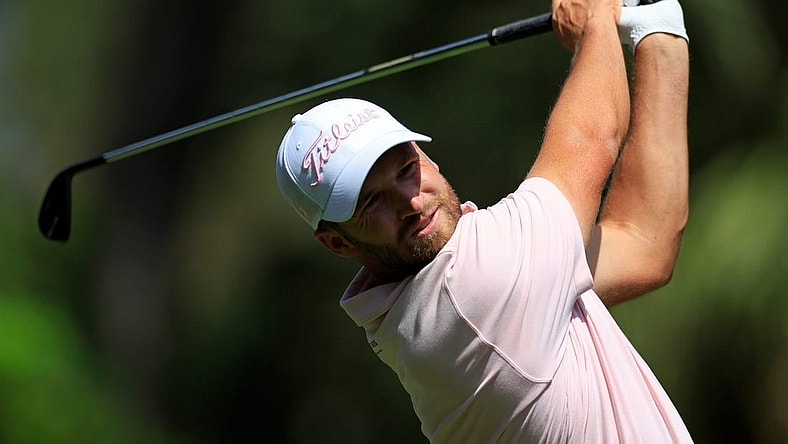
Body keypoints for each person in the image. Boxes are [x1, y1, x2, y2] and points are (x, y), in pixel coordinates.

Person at [275, 0, 691, 441]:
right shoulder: (471, 288)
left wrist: (657, 34)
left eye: (404, 169)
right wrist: (596, 22)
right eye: (371, 201)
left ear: (424, 154)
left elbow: (644, 242)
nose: (412, 202)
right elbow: (593, 136)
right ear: (337, 243)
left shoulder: (475, 288)